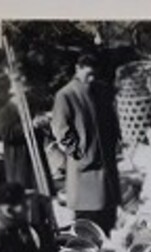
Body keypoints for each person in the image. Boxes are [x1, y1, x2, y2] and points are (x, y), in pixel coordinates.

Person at [51, 54, 121, 235]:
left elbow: (111, 119)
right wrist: (79, 153)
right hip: (84, 167)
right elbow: (61, 129)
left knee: (108, 215)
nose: (91, 79)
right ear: (77, 69)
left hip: (105, 163)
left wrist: (114, 142)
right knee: (87, 220)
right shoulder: (65, 95)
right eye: (88, 74)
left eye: (94, 75)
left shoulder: (101, 90)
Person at [0, 73, 53, 190]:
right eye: (24, 92)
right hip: (18, 160)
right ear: (13, 92)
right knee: (24, 192)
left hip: (37, 158)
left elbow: (40, 131)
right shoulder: (4, 112)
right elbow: (7, 134)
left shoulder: (31, 108)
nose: (27, 95)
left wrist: (44, 124)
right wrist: (32, 125)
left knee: (41, 190)